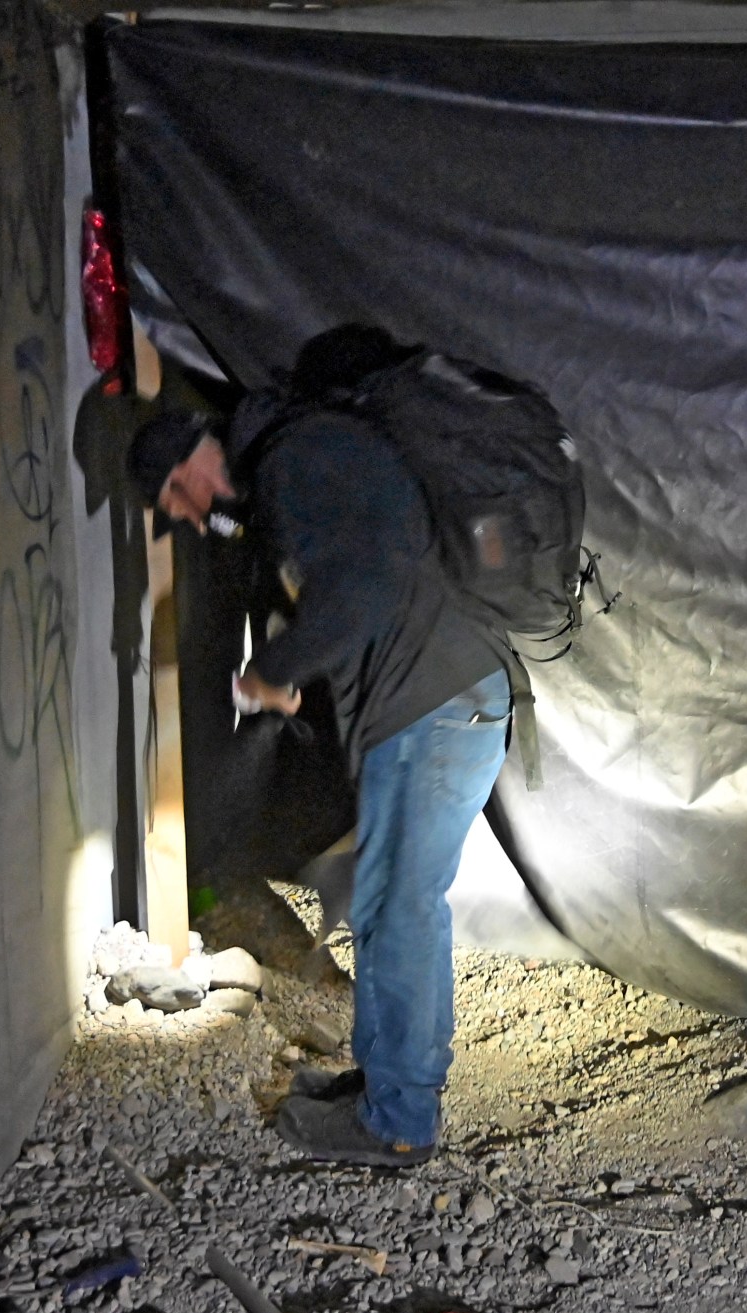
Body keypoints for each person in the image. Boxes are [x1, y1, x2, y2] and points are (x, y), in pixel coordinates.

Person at [129, 325, 510, 1169]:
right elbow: (364, 574)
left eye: (176, 498)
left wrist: (274, 670)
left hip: (435, 706)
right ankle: (390, 1085)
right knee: (394, 905)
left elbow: (365, 586)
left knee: (398, 908)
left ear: (194, 460)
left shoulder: (298, 460)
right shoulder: (301, 464)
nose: (188, 517)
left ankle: (400, 1120)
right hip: (439, 700)